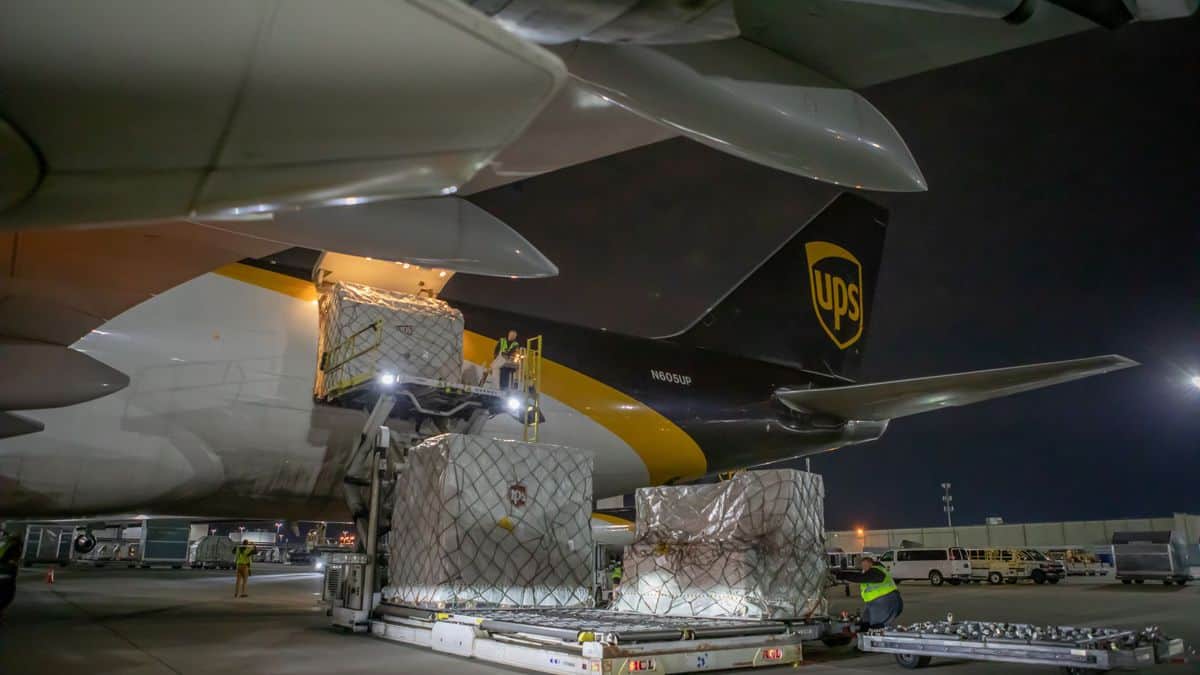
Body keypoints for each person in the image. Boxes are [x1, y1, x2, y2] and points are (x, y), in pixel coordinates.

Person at [832, 556, 903, 629]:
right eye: (863, 566)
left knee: (877, 628)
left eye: (866, 565)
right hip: (875, 603)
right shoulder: (870, 572)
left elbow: (860, 577)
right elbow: (860, 576)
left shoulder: (876, 570)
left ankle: (876, 637)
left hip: (885, 601)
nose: (864, 567)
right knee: (865, 624)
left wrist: (842, 575)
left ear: (871, 564)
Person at [0, 530, 22, 614]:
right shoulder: (14, 546)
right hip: (6, 573)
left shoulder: (5, 544)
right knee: (6, 595)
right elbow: (12, 561)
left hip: (6, 572)